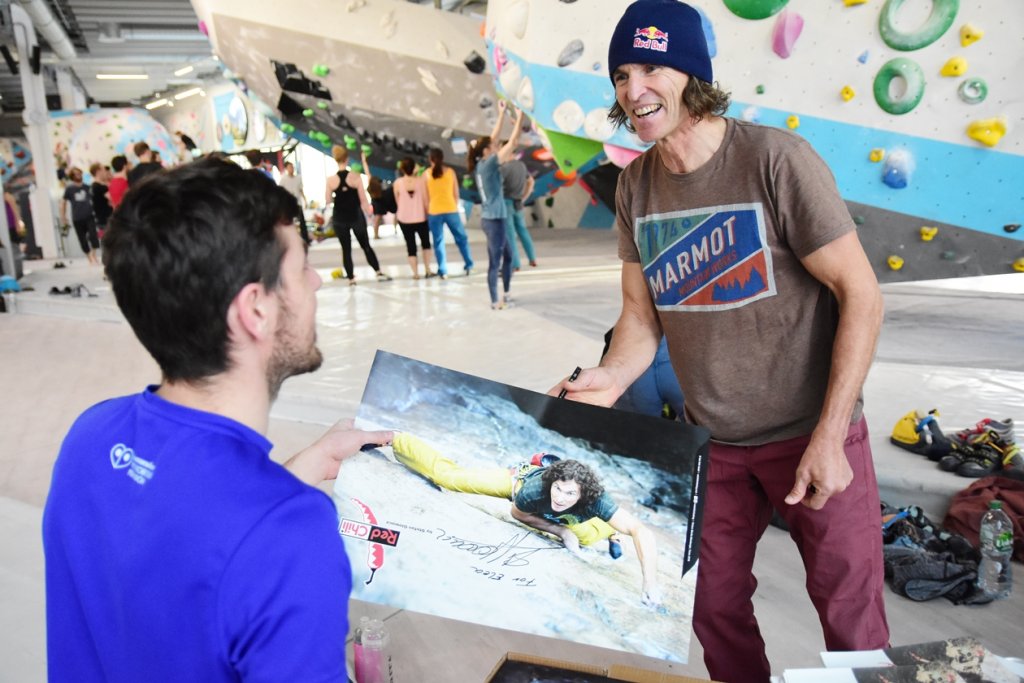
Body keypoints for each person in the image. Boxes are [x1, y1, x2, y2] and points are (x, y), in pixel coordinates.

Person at [551, 2, 889, 681]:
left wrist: (829, 434)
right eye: (621, 74)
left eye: (651, 67)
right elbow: (641, 321)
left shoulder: (776, 161)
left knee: (850, 612)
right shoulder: (636, 187)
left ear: (693, 74)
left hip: (811, 430)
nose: (633, 89)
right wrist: (610, 379)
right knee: (711, 604)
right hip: (717, 447)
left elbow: (862, 294)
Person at [42, 157, 394, 681]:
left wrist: (297, 470)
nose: (317, 281)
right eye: (300, 268)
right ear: (256, 310)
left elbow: (180, 540)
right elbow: (240, 543)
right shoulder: (294, 537)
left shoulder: (91, 435)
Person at [389, 432, 659, 605]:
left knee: (590, 535)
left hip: (576, 518)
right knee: (449, 479)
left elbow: (641, 531)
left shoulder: (596, 500)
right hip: (514, 485)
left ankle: (611, 533)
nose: (561, 497)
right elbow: (517, 513)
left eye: (570, 493)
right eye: (558, 489)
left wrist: (650, 581)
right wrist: (559, 532)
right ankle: (396, 438)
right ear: (552, 483)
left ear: (584, 494)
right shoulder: (535, 490)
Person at [468, 101, 524, 310]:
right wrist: (519, 116)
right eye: (492, 147)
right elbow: (514, 141)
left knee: (507, 256)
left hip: (493, 217)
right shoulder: (490, 163)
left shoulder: (482, 163)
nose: (496, 145)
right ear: (486, 152)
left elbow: (493, 138)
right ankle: (495, 301)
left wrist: (501, 114)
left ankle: (506, 294)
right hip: (494, 220)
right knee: (495, 262)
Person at [325, 145, 391, 285]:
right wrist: (370, 214)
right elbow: (363, 200)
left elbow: (328, 200)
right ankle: (378, 271)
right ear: (347, 159)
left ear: (336, 160)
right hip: (355, 216)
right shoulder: (355, 178)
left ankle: (351, 278)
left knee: (346, 249)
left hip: (340, 218)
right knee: (365, 245)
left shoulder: (330, 180)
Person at [425, 147, 474, 279]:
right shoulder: (450, 172)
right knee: (461, 238)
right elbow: (456, 194)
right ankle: (469, 264)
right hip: (451, 209)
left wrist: (428, 210)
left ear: (430, 159)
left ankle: (443, 269)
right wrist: (454, 205)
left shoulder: (427, 174)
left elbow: (426, 197)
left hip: (434, 211)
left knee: (438, 242)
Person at [392, 157, 434, 279]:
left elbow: (397, 201)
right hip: (421, 217)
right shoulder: (421, 181)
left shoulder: (398, 183)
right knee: (426, 243)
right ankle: (428, 269)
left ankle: (415, 273)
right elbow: (426, 201)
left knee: (411, 246)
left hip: (404, 219)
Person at [500, 146, 537, 270]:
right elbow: (531, 181)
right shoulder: (522, 166)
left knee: (510, 235)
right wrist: (525, 197)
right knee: (523, 231)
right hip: (519, 203)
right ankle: (532, 259)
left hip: (507, 203)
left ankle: (515, 264)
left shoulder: (504, 168)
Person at [59, 167, 100, 265]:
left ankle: (94, 254)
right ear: (72, 176)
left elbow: (95, 201)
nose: (78, 175)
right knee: (82, 239)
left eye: (79, 173)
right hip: (77, 217)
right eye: (76, 174)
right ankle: (89, 256)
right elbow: (63, 203)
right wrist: (63, 217)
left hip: (89, 215)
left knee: (93, 235)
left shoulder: (87, 187)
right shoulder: (69, 189)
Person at [280, 161, 310, 244]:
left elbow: (301, 190)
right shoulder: (283, 179)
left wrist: (305, 200)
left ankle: (306, 240)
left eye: (292, 167)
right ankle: (291, 241)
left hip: (298, 202)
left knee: (302, 222)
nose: (291, 169)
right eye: (289, 167)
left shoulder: (298, 178)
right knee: (290, 222)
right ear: (286, 169)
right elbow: (281, 192)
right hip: (288, 204)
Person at [88, 163, 113, 238]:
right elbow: (112, 199)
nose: (106, 172)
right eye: (104, 170)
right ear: (98, 172)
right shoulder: (99, 187)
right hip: (106, 220)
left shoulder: (93, 187)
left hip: (101, 220)